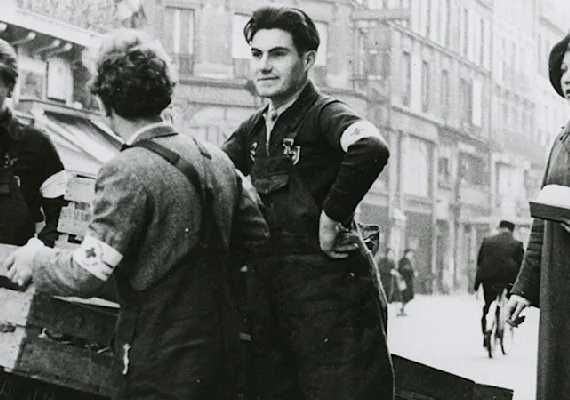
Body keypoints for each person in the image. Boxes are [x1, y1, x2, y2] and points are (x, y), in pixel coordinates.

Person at [3, 29, 269, 400]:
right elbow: (257, 238)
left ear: (104, 102)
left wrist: (39, 259)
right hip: (222, 351)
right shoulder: (216, 158)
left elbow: (86, 274)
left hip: (160, 358)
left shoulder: (126, 170)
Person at [222, 7, 394, 400]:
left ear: (308, 60)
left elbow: (370, 146)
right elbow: (213, 169)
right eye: (256, 54)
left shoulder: (324, 114)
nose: (264, 66)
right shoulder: (255, 127)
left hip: (333, 300)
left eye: (278, 54)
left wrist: (331, 219)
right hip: (276, 298)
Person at [507, 33, 570, 399]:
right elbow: (540, 227)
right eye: (563, 69)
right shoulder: (560, 141)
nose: (567, 77)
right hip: (559, 284)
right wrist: (524, 290)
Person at [0, 38, 65, 247]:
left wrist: (33, 260)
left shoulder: (37, 145)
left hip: (12, 275)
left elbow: (58, 223)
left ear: (10, 88)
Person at [475, 220, 523, 346]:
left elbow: (479, 262)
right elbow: (521, 266)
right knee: (506, 302)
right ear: (511, 230)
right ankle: (504, 322)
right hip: (507, 279)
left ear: (500, 228)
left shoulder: (487, 241)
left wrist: (476, 284)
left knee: (487, 305)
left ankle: (486, 330)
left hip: (488, 278)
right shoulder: (517, 244)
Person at [397, 249, 416, 316]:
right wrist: (410, 271)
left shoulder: (408, 261)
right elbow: (402, 269)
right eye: (410, 253)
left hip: (408, 280)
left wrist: (413, 273)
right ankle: (401, 309)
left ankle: (402, 308)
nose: (411, 255)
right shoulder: (403, 261)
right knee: (405, 295)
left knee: (409, 295)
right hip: (404, 280)